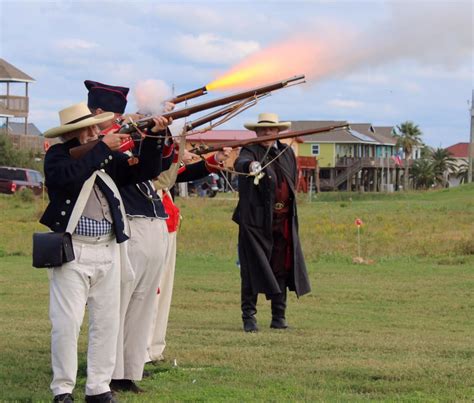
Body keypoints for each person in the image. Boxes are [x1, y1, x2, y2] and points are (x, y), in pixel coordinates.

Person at [40, 102, 171, 402]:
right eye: (92, 128)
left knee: (107, 324)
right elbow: (70, 177)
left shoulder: (101, 156)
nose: (97, 131)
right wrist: (102, 147)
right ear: (76, 133)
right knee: (66, 324)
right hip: (73, 252)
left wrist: (155, 136)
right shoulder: (58, 157)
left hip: (108, 250)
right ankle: (62, 389)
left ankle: (98, 387)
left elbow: (146, 171)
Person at [84, 80, 173, 394]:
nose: (119, 118)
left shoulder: (127, 135)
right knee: (118, 304)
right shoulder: (89, 143)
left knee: (143, 302)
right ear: (96, 112)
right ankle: (107, 371)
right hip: (128, 225)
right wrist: (136, 127)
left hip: (152, 222)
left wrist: (157, 130)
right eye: (113, 113)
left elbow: (153, 167)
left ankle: (129, 369)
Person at [146, 142, 231, 363]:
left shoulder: (160, 154)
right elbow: (160, 177)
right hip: (148, 225)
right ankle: (141, 349)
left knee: (163, 291)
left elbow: (180, 175)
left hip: (167, 224)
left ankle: (153, 348)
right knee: (149, 292)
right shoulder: (144, 154)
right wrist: (176, 157)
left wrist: (215, 159)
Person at [233, 113, 311, 333]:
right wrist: (251, 166)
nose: (266, 133)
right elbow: (242, 163)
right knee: (251, 269)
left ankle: (279, 315)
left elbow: (292, 181)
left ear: (278, 132)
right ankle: (249, 317)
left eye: (270, 130)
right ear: (256, 132)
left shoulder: (286, 153)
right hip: (255, 221)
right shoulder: (249, 150)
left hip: (283, 219)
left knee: (282, 267)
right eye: (262, 130)